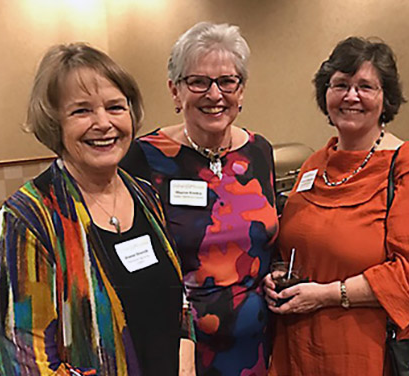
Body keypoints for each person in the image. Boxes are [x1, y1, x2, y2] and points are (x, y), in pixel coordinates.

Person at [0, 43, 189, 375]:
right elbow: (24, 360)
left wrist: (186, 367)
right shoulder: (27, 218)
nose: (103, 123)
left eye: (115, 107)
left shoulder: (144, 195)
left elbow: (178, 300)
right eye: (81, 111)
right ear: (54, 122)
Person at [263, 37, 409, 376]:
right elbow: (297, 245)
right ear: (325, 94)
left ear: (386, 98)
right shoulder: (314, 164)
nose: (351, 96)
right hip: (299, 346)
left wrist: (327, 295)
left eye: (365, 87)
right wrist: (278, 274)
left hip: (367, 352)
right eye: (341, 85)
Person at [121, 22, 278, 376]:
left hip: (257, 345)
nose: (215, 94)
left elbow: (266, 240)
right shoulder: (142, 159)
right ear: (175, 91)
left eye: (227, 81)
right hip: (178, 349)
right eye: (198, 82)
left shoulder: (259, 151)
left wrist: (278, 272)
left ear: (241, 90)